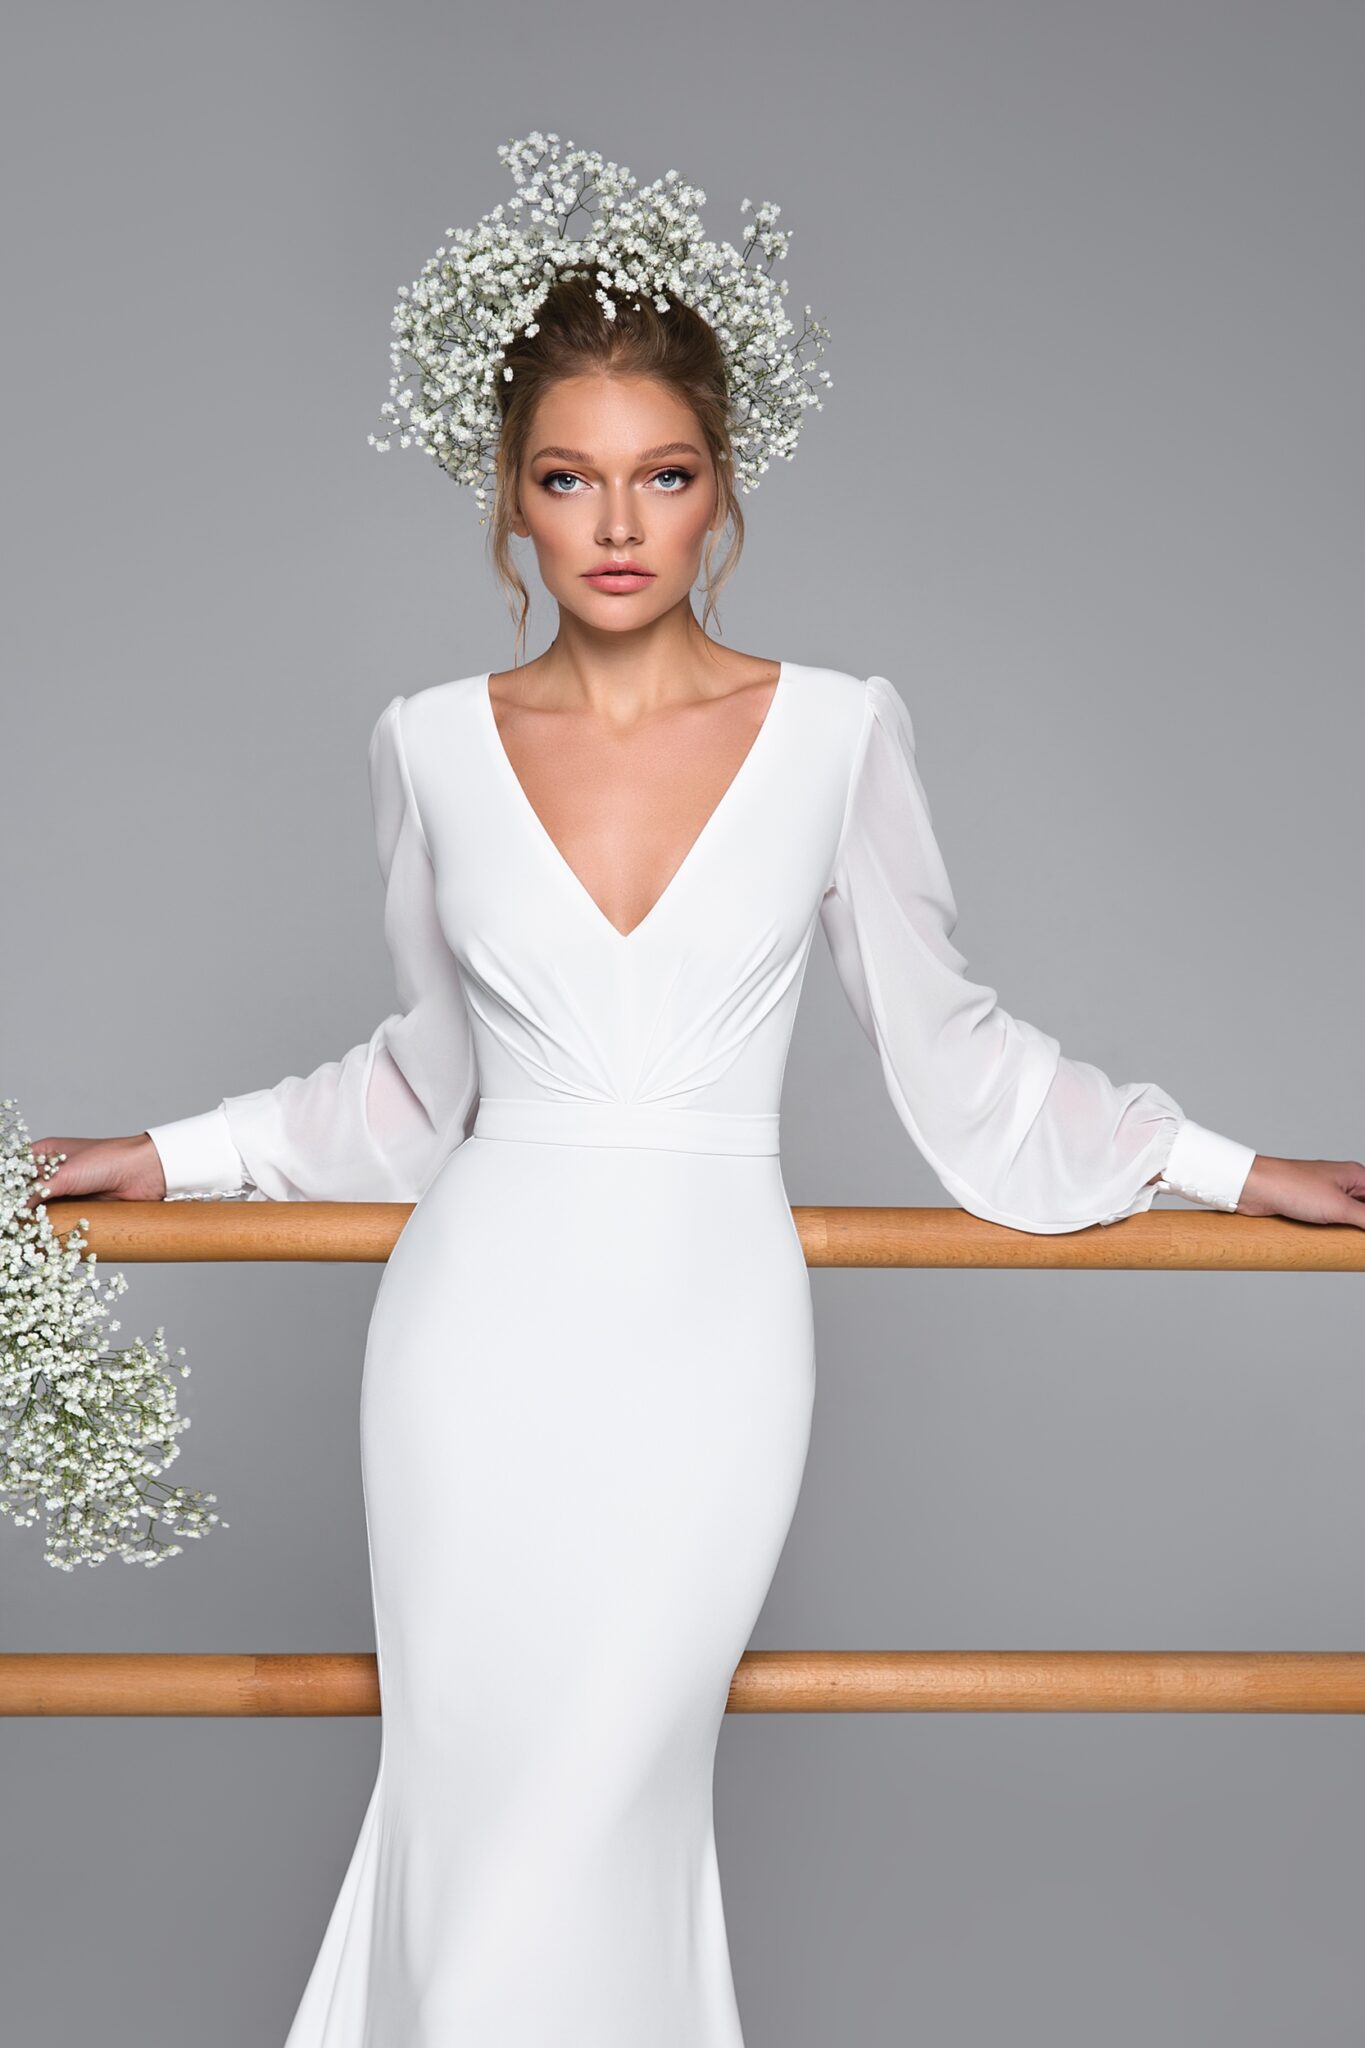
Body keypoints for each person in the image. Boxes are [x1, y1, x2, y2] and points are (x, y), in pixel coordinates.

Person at [27, 137, 1364, 2046]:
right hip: (472, 1348)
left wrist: (1227, 1170)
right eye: (568, 478)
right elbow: (419, 1082)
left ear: (721, 488)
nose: (616, 522)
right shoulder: (428, 745)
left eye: (661, 474)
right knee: (476, 1828)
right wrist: (171, 1155)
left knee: (595, 1815)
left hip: (707, 1353)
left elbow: (958, 1050)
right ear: (511, 499)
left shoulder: (833, 733)